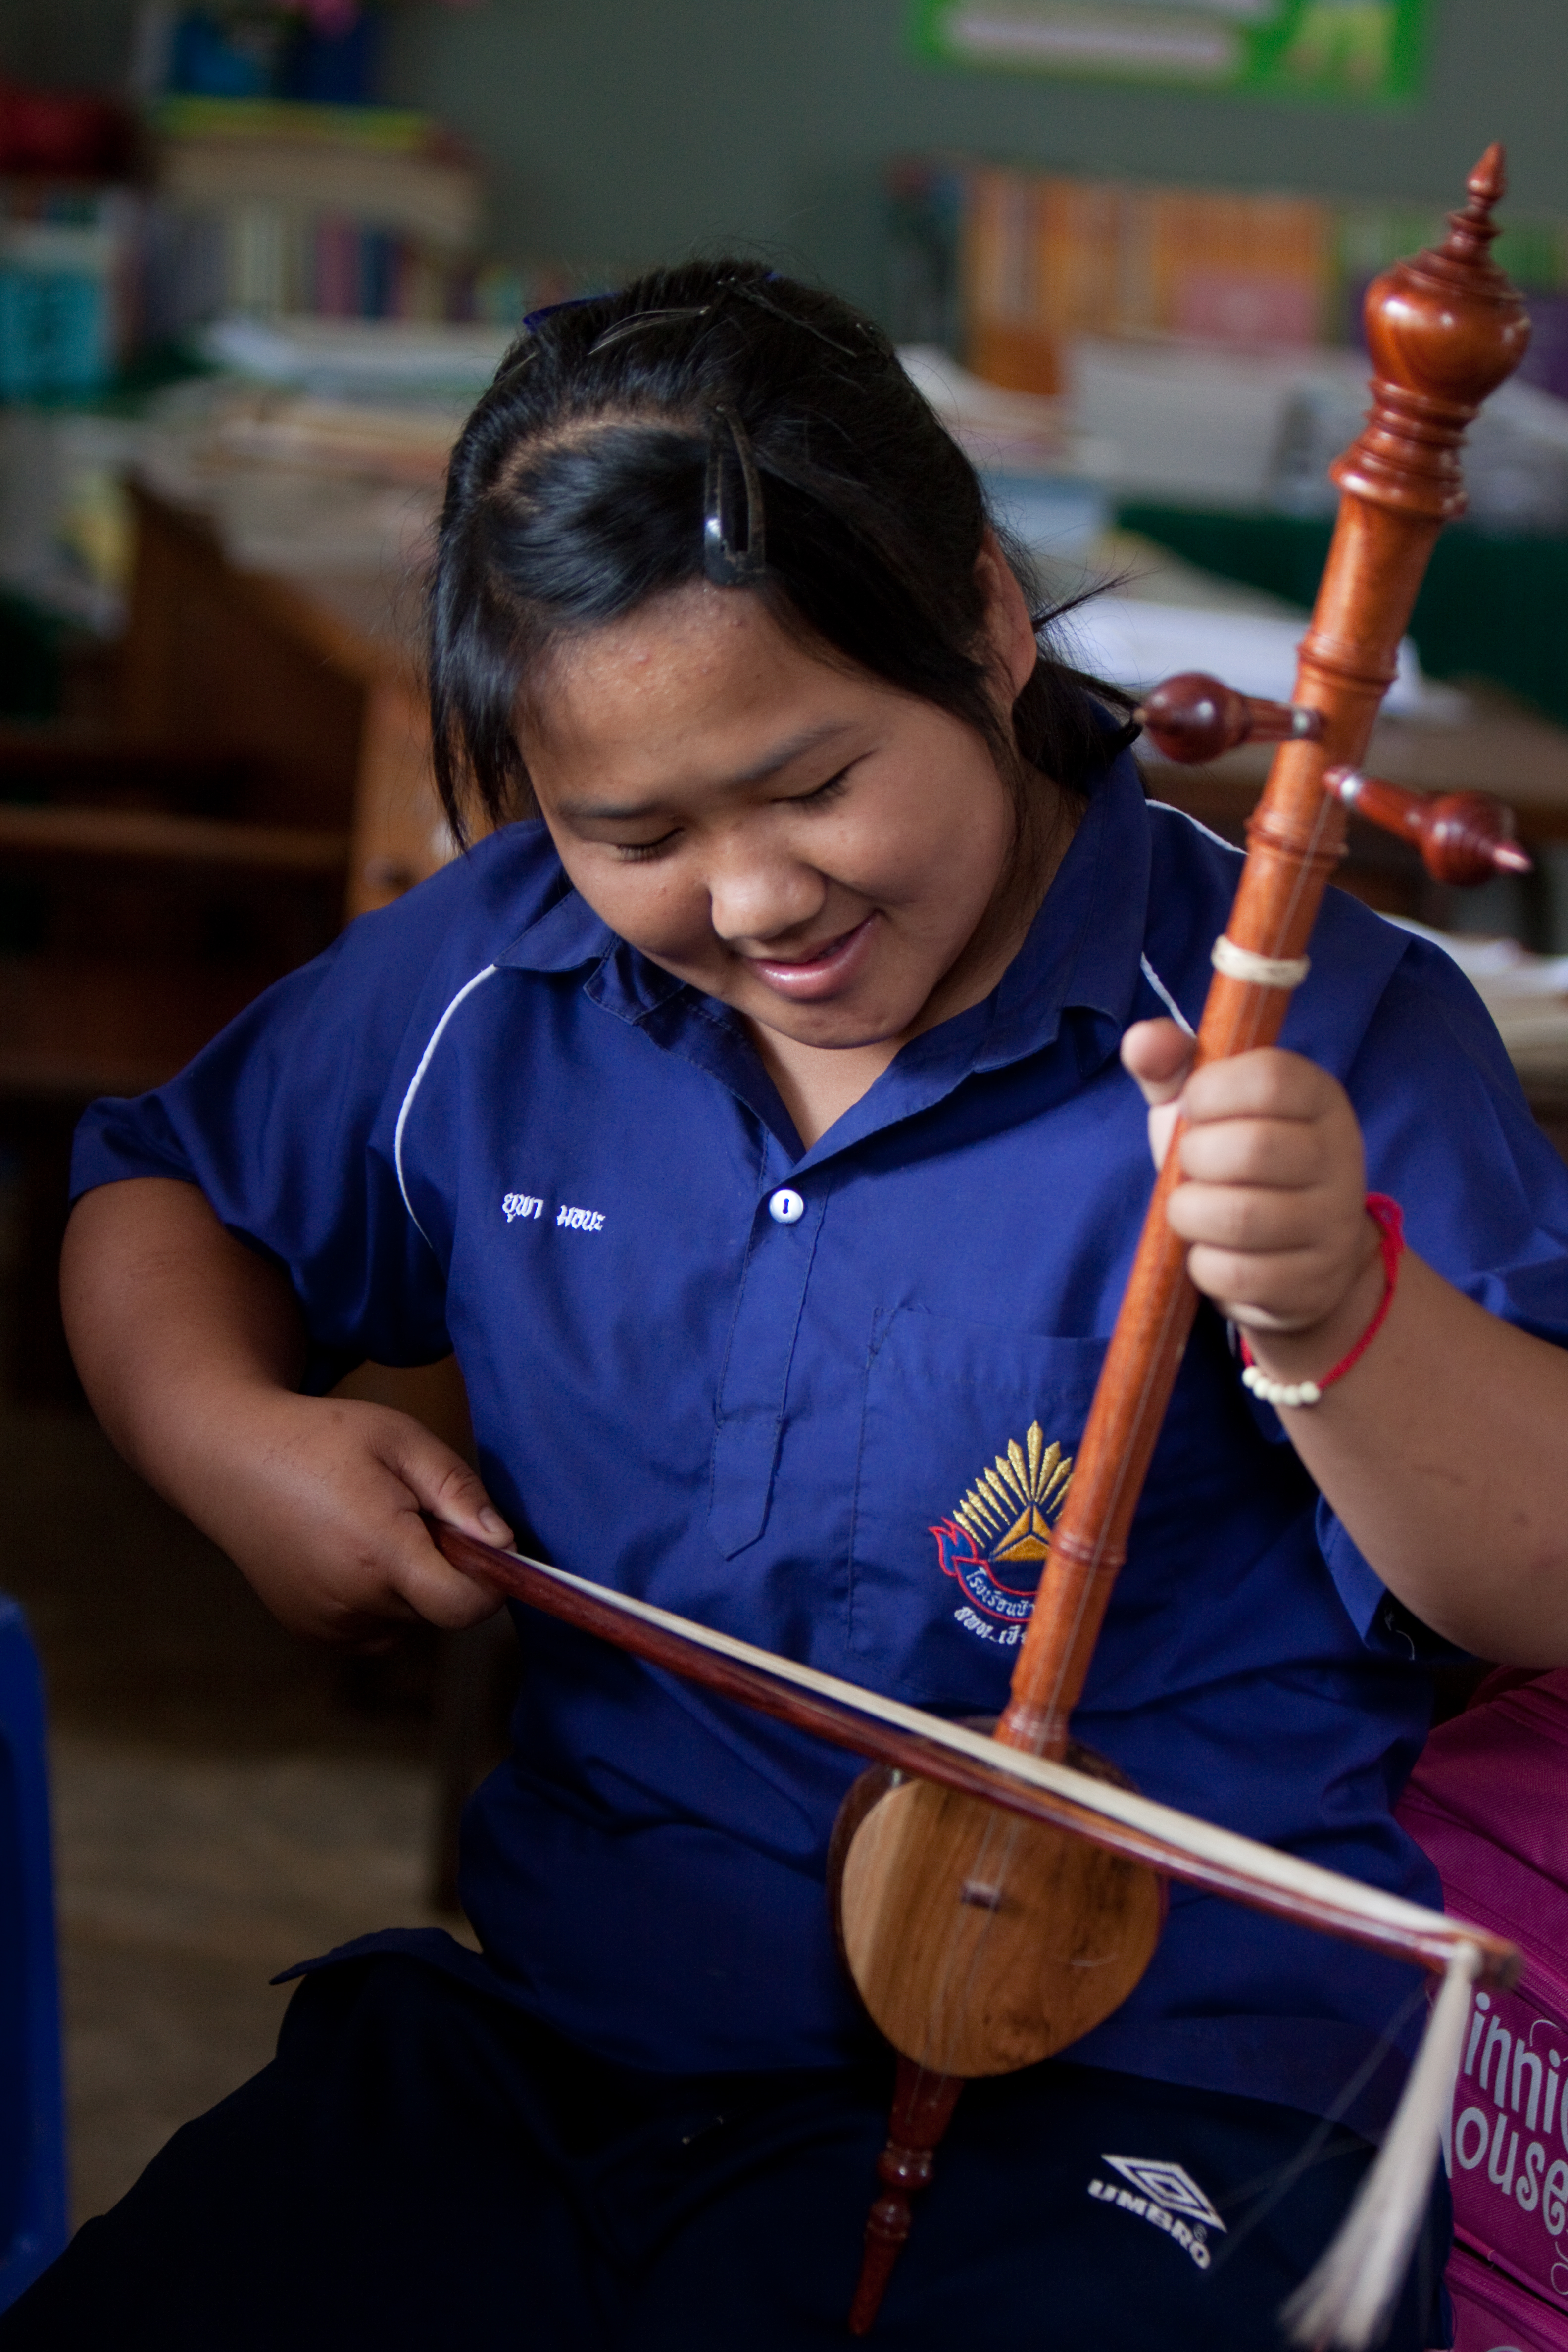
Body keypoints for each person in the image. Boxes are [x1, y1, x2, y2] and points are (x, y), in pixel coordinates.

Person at [7, 259, 1568, 2352]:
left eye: (817, 782)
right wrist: (231, 1439)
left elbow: (1533, 1582)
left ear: (990, 628)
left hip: (1152, 2087)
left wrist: (1341, 1306)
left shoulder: (1327, 1024)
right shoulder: (504, 977)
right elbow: (166, 1193)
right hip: (597, 2031)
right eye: (634, 829)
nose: (751, 899)